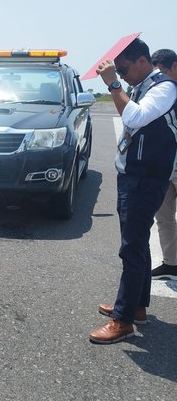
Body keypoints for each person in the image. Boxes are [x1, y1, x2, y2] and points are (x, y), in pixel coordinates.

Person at [89, 38, 177, 344]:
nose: (122, 75)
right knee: (137, 245)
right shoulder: (143, 86)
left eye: (124, 69)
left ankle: (123, 320)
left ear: (142, 61)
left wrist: (113, 83)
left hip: (145, 179)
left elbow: (135, 117)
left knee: (131, 248)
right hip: (134, 177)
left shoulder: (164, 88)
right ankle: (136, 307)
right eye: (119, 72)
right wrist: (118, 83)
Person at [151, 49, 177, 280]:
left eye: (163, 72)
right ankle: (171, 263)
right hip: (166, 165)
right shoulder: (159, 92)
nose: (160, 78)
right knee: (164, 217)